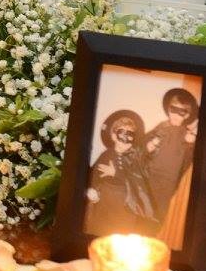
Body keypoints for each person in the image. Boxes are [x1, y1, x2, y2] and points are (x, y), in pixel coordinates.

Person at [84, 110, 158, 236]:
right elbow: (95, 173)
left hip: (126, 201)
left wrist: (116, 173)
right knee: (100, 229)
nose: (126, 139)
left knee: (121, 231)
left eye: (130, 136)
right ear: (113, 136)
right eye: (122, 134)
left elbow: (137, 178)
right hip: (106, 200)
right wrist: (92, 190)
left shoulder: (134, 157)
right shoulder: (106, 155)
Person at [144, 88, 199, 217]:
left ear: (187, 115)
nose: (175, 114)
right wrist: (150, 145)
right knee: (139, 211)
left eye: (181, 112)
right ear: (168, 109)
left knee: (155, 216)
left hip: (167, 183)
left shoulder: (186, 136)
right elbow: (142, 148)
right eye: (173, 109)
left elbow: (185, 164)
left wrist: (191, 144)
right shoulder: (161, 126)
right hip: (148, 177)